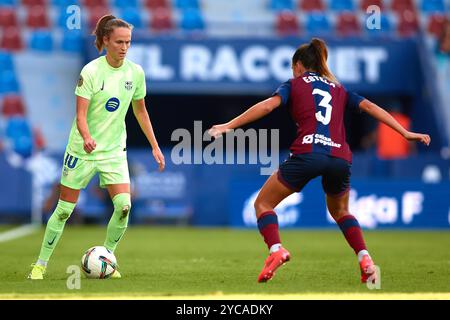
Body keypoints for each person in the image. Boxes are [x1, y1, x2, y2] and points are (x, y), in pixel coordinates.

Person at [208, 38, 430, 283]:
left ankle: (276, 250)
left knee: (263, 204)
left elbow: (268, 107)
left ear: (299, 65)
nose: (293, 72)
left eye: (293, 68)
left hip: (308, 154)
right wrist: (405, 132)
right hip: (339, 158)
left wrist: (229, 125)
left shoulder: (294, 84)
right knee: (341, 211)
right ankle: (365, 258)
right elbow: (370, 107)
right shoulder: (339, 89)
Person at [28, 15, 165, 280]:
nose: (125, 47)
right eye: (119, 42)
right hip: (83, 150)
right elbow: (80, 115)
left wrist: (155, 146)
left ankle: (107, 259)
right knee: (64, 209)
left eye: (128, 42)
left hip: (114, 151)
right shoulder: (91, 71)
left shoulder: (135, 72)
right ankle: (40, 264)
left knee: (124, 205)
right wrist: (88, 137)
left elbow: (141, 112)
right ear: (105, 41)